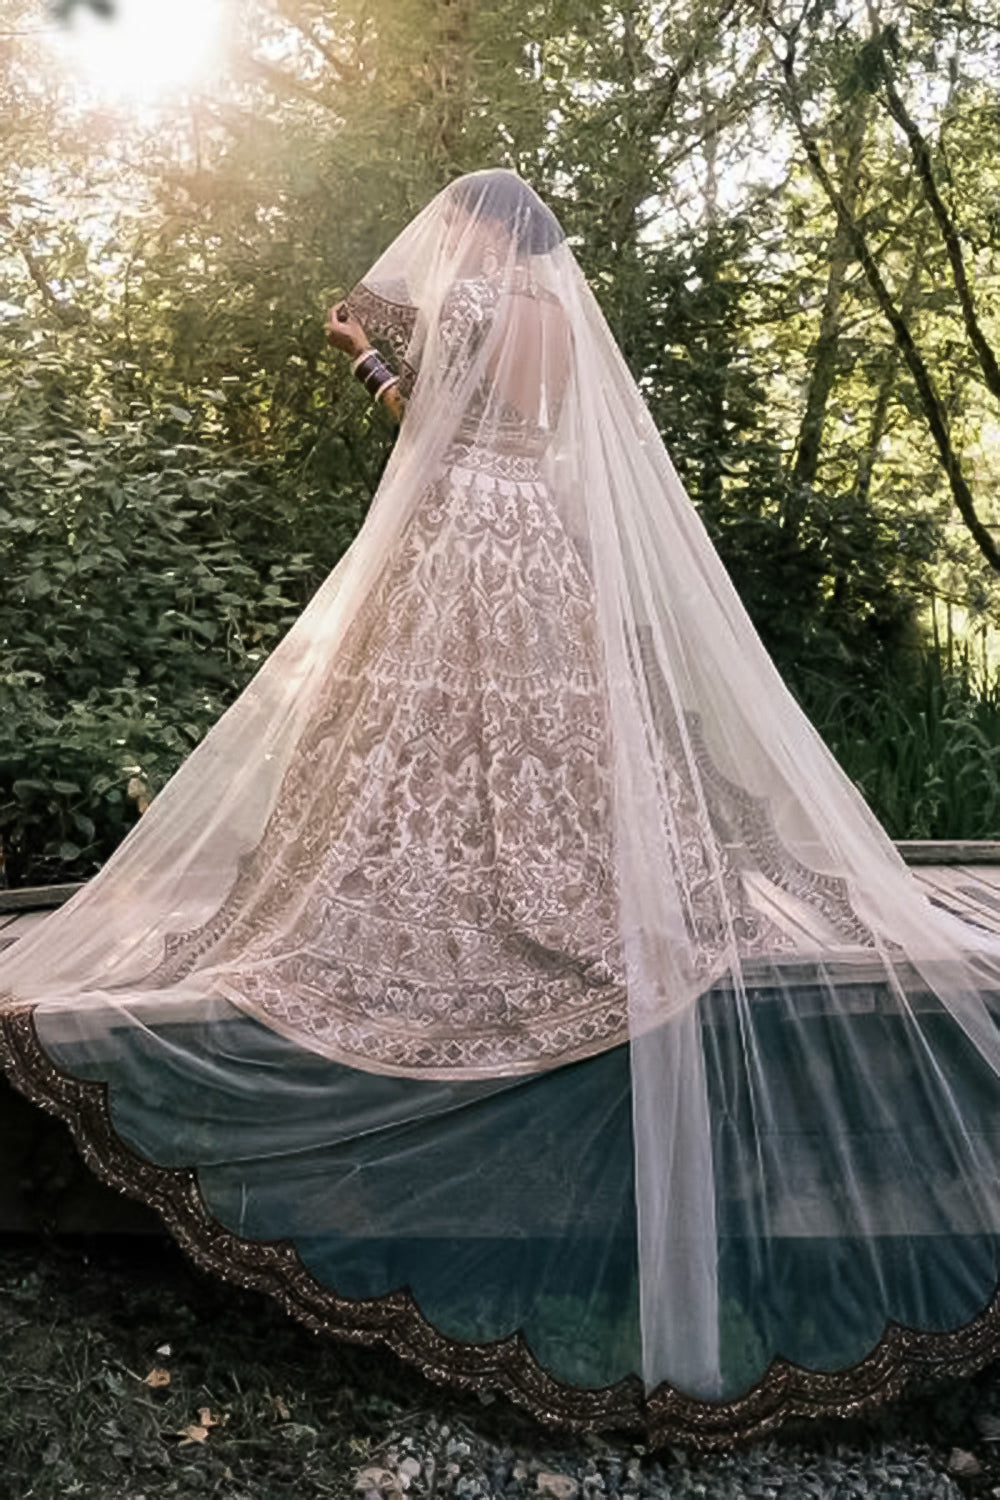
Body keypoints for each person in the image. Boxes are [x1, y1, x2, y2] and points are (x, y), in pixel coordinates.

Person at [2, 168, 1000, 1447]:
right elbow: (545, 435)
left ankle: (437, 879)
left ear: (486, 230)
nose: (450, 240)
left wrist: (366, 357)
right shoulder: (563, 318)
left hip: (464, 523)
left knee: (420, 725)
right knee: (542, 727)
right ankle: (525, 863)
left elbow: (426, 430)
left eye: (462, 224)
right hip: (536, 530)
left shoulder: (473, 302)